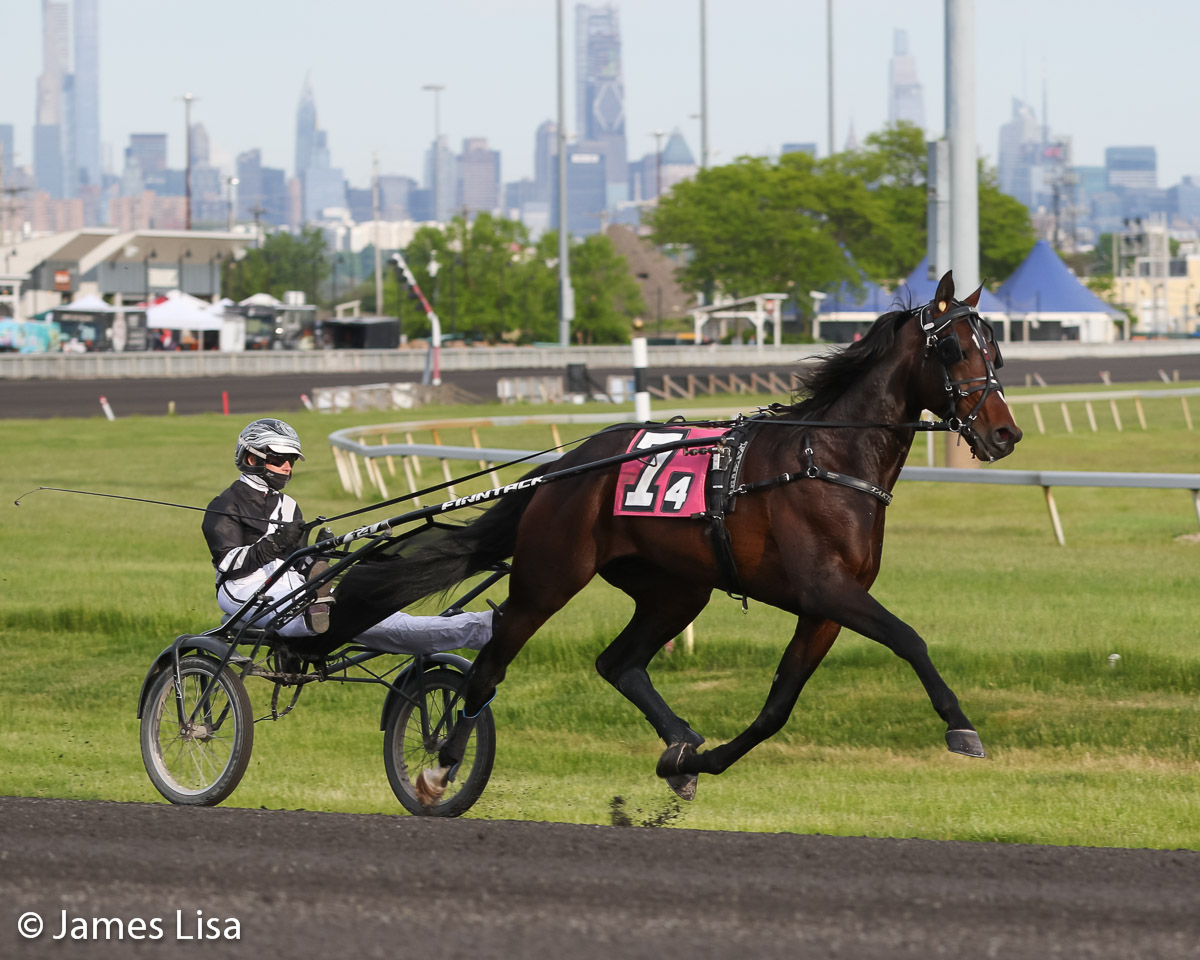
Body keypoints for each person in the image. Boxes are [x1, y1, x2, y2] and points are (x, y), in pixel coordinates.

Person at [201, 418, 493, 655]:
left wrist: (319, 557)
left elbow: (299, 564)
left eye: (291, 460)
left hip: (296, 590)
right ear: (252, 458)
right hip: (243, 591)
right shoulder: (225, 504)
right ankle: (314, 610)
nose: (288, 468)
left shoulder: (288, 506)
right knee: (301, 609)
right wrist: (275, 545)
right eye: (280, 459)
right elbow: (229, 564)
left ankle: (480, 627)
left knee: (385, 621)